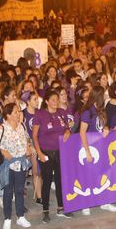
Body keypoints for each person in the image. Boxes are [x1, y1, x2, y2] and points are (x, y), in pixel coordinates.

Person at [33, 90, 73, 222]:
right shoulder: (40, 114)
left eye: (57, 99)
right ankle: (45, 210)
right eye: (53, 99)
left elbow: (67, 127)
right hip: (46, 152)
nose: (56, 102)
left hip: (60, 152)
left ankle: (61, 207)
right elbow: (34, 135)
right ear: (46, 101)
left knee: (60, 180)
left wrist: (67, 131)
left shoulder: (61, 113)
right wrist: (39, 152)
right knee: (47, 181)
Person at [0, 103, 32, 229]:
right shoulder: (1, 129)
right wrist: (3, 152)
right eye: (16, 112)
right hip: (8, 165)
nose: (18, 114)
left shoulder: (21, 126)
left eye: (19, 112)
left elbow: (27, 139)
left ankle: (20, 216)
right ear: (8, 115)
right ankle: (7, 218)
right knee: (8, 191)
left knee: (20, 190)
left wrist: (27, 147)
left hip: (21, 163)